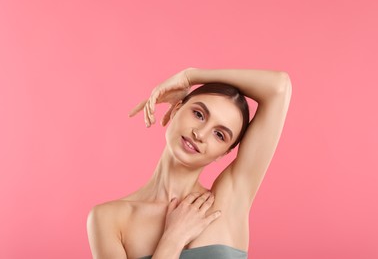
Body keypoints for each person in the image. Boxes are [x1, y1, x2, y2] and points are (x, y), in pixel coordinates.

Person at [87, 67, 292, 259]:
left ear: (224, 153)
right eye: (198, 114)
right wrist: (172, 239)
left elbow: (279, 87)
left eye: (219, 135)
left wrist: (191, 76)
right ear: (176, 109)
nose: (200, 134)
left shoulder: (229, 202)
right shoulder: (108, 219)